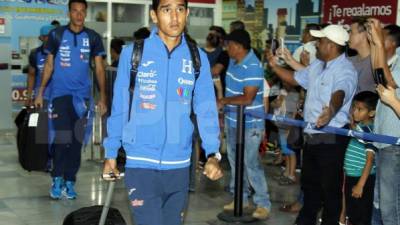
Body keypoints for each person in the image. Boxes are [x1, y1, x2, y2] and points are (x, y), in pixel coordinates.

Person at [102, 0, 223, 224]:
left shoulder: (198, 59)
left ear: (187, 14)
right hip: (140, 162)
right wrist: (111, 152)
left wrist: (212, 154)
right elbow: (119, 107)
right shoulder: (133, 54)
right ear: (154, 15)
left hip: (179, 164)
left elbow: (206, 109)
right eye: (167, 9)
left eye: (180, 9)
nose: (174, 17)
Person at [268, 24, 357, 225]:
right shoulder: (318, 65)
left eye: (321, 41)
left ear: (332, 46)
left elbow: (340, 93)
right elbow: (295, 78)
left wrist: (331, 111)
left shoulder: (346, 70)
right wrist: (274, 66)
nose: (317, 44)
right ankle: (305, 221)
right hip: (312, 136)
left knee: (329, 190)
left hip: (331, 137)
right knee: (310, 186)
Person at [34, 0, 107, 200]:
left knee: (76, 142)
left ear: (86, 14)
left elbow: (99, 69)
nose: (79, 15)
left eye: (82, 11)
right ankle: (56, 178)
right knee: (61, 138)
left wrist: (103, 97)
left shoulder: (93, 37)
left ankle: (69, 181)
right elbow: (49, 66)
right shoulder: (57, 35)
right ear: (69, 13)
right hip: (59, 96)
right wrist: (40, 92)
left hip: (82, 98)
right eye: (75, 11)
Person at [218, 29, 272, 220]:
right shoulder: (233, 61)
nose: (226, 48)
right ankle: (240, 198)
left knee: (251, 163)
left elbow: (248, 98)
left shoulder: (253, 66)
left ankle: (263, 203)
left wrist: (223, 101)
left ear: (238, 47)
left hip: (251, 125)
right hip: (233, 121)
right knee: (235, 162)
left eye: (229, 45)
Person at [366, 19, 400, 225]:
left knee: (390, 205)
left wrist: (376, 44)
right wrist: (375, 44)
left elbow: (390, 84)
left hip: (394, 143)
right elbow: (379, 76)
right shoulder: (392, 63)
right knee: (383, 203)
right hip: (385, 141)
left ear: (393, 43)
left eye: (382, 38)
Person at [343, 91, 378, 225]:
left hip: (362, 179)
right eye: (354, 108)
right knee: (353, 213)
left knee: (361, 215)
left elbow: (370, 160)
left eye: (360, 109)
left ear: (372, 113)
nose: (355, 112)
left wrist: (360, 185)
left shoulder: (369, 131)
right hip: (353, 176)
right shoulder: (361, 127)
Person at [26, 24, 54, 106]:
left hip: (58, 96)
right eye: (46, 36)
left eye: (51, 37)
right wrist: (29, 97)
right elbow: (31, 76)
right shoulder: (35, 54)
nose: (49, 39)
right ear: (41, 38)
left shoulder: (62, 53)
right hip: (41, 97)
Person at [348, 17, 376, 93]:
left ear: (365, 34)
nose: (348, 36)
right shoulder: (348, 61)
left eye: (351, 32)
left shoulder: (376, 63)